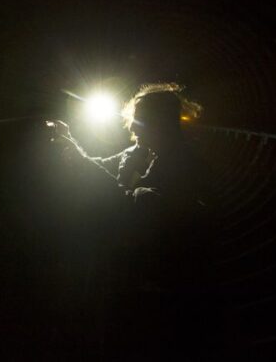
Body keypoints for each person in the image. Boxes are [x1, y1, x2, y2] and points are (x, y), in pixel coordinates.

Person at [46, 82, 218, 359]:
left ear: (160, 123)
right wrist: (70, 143)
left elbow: (132, 207)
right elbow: (100, 165)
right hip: (122, 260)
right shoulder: (138, 152)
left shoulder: (187, 167)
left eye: (141, 120)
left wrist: (79, 158)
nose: (132, 127)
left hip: (154, 278)